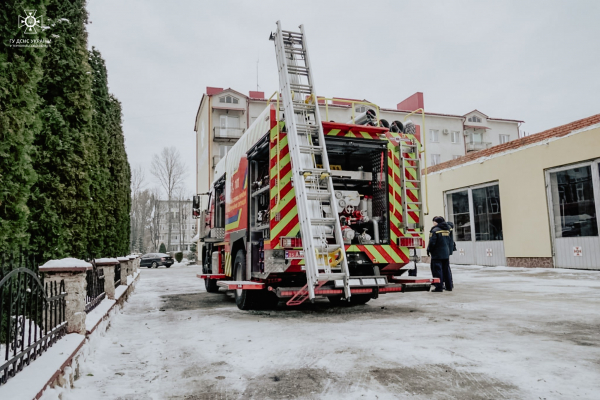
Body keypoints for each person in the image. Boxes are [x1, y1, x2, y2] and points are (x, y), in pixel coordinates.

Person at [427, 216, 454, 292]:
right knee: (446, 270)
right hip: (446, 254)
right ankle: (449, 286)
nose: (433, 223)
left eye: (434, 222)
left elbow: (432, 243)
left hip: (437, 254)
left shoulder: (435, 230)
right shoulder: (447, 230)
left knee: (438, 271)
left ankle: (439, 287)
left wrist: (429, 250)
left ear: (436, 222)